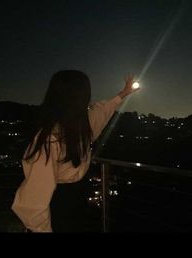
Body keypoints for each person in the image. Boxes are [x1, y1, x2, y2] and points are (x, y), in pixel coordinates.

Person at [11, 70, 139, 232]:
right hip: (58, 203)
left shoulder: (80, 125)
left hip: (76, 196)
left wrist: (123, 93)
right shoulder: (51, 137)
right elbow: (34, 199)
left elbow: (102, 111)